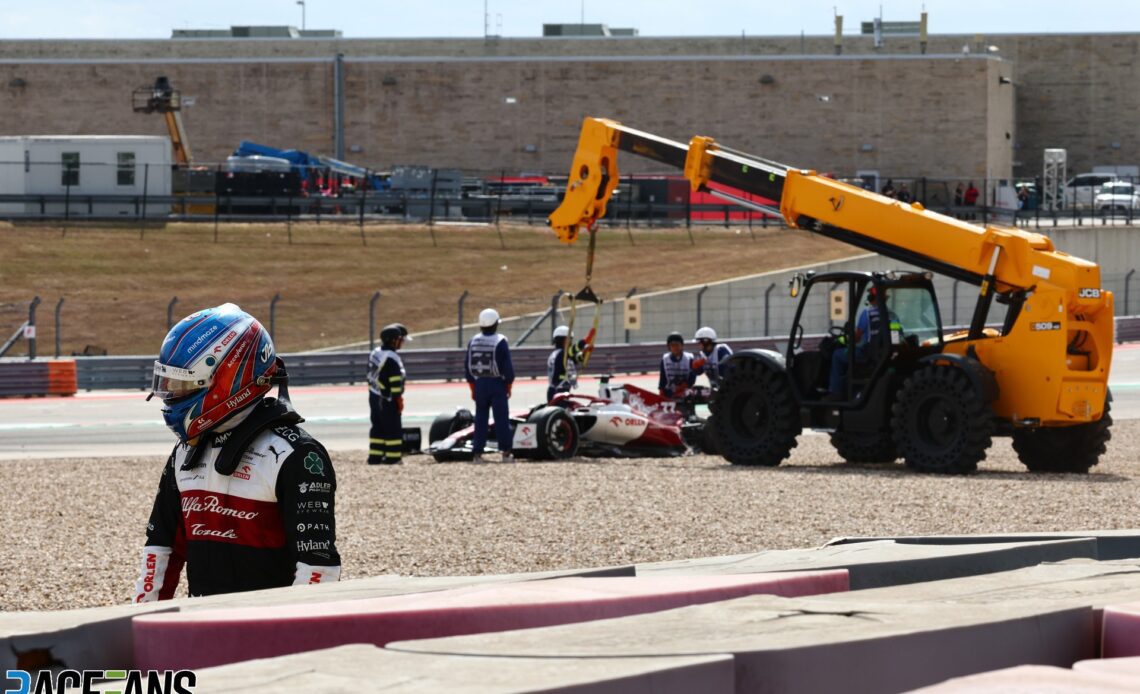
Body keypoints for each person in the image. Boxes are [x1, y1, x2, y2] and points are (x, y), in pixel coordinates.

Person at [134, 303, 340, 601]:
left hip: (267, 635)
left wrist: (286, 636)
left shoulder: (296, 456)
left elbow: (318, 569)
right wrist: (140, 626)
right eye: (170, 385)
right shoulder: (184, 452)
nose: (172, 396)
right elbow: (160, 550)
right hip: (203, 630)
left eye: (184, 384)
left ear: (228, 376)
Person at [828, 287, 901, 399]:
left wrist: (846, 339)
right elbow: (897, 336)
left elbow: (857, 337)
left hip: (868, 354)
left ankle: (835, 393)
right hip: (885, 355)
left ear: (871, 298)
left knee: (837, 355)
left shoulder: (867, 313)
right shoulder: (893, 315)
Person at [465, 308, 515, 463]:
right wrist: (508, 383)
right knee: (501, 419)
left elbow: (467, 366)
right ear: (495, 324)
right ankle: (506, 453)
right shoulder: (500, 341)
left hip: (479, 383)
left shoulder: (473, 340)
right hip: (496, 383)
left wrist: (472, 385)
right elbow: (507, 366)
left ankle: (477, 454)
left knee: (480, 419)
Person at [367, 323, 409, 465]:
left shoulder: (375, 352)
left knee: (377, 427)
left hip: (373, 396)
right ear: (393, 340)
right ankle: (393, 458)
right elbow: (395, 381)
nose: (402, 343)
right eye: (400, 340)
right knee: (393, 429)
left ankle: (375, 457)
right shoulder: (391, 357)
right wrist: (398, 399)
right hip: (387, 399)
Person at [547, 324, 589, 402]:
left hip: (561, 389)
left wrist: (585, 353)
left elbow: (575, 359)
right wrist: (582, 343)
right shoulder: (561, 354)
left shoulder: (562, 355)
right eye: (569, 339)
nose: (570, 342)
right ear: (564, 340)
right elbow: (572, 350)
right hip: (557, 390)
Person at [658, 331, 697, 398]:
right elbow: (663, 378)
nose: (675, 347)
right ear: (669, 347)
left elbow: (692, 378)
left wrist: (682, 387)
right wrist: (661, 392)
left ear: (682, 346)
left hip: (685, 391)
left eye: (677, 345)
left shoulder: (689, 358)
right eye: (672, 345)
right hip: (670, 391)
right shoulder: (665, 359)